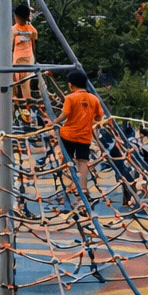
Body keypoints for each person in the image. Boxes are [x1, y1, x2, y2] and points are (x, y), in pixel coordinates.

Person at [57, 69, 102, 198]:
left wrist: (54, 121)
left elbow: (64, 114)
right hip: (85, 136)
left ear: (71, 84)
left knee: (67, 160)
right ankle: (83, 188)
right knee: (83, 162)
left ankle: (66, 185)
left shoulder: (70, 98)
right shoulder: (94, 99)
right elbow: (99, 117)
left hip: (68, 134)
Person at [11, 3, 38, 110]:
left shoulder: (31, 29)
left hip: (25, 57)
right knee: (16, 78)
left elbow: (34, 44)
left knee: (24, 80)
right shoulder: (14, 29)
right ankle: (16, 100)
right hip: (20, 57)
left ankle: (27, 103)